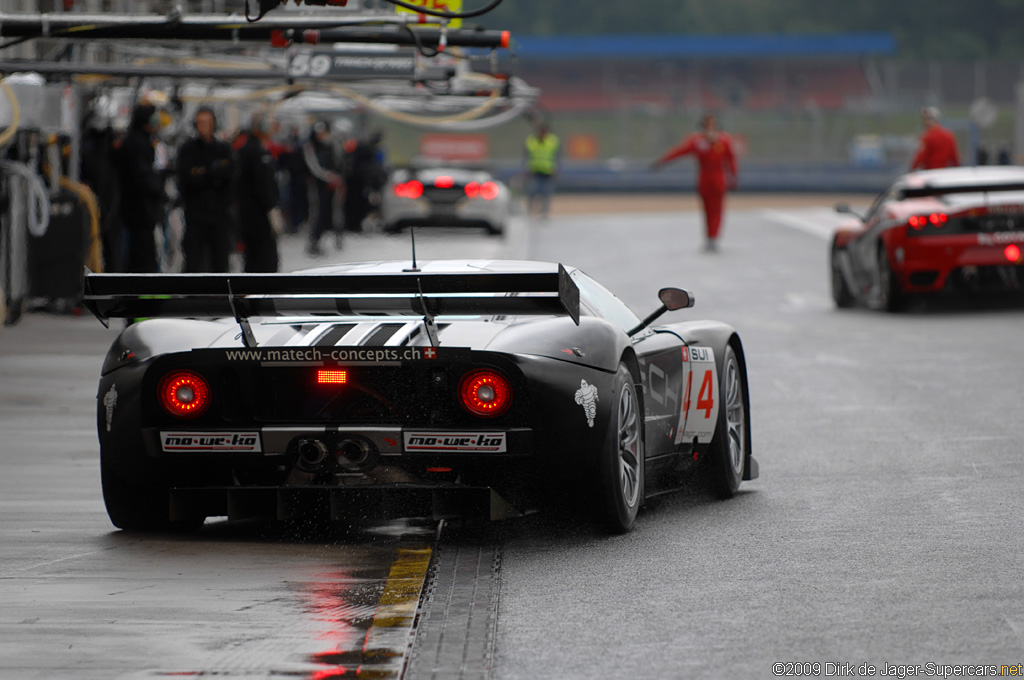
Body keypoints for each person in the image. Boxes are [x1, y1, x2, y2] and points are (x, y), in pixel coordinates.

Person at [651, 113, 738, 252]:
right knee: (707, 210)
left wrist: (733, 177)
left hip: (718, 178)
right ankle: (709, 237)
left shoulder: (724, 141)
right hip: (704, 178)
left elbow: (731, 160)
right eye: (707, 126)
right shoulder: (697, 142)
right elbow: (679, 152)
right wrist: (662, 162)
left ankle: (714, 236)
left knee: (717, 209)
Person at [175, 107, 235, 272]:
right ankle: (193, 294)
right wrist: (211, 172)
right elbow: (187, 178)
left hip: (219, 214)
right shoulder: (188, 149)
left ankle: (221, 294)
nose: (204, 127)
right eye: (200, 123)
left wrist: (205, 172)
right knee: (194, 259)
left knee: (220, 258)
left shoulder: (223, 149)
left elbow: (229, 175)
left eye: (207, 123)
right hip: (196, 214)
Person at [113, 102, 166, 272]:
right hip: (139, 211)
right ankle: (142, 293)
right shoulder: (138, 143)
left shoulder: (136, 140)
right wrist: (159, 188)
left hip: (137, 211)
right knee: (142, 255)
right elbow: (142, 177)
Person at [233, 113, 282, 273]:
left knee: (254, 257)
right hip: (257, 214)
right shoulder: (256, 152)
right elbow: (263, 185)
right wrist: (271, 208)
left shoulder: (254, 148)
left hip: (249, 212)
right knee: (264, 258)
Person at [303, 121, 342, 256]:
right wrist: (327, 176)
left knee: (332, 211)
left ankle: (334, 237)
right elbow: (313, 165)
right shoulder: (310, 146)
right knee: (317, 212)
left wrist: (335, 177)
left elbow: (337, 161)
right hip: (317, 184)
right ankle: (314, 241)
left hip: (331, 184)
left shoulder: (330, 145)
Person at [524, 123, 561, 219]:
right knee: (533, 191)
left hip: (548, 171)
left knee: (546, 192)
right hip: (535, 170)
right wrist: (526, 170)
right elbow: (527, 156)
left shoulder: (552, 141)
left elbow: (557, 157)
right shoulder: (531, 141)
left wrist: (557, 170)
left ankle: (544, 211)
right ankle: (530, 210)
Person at [910, 106, 960, 170]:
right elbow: (955, 158)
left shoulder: (926, 137)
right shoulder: (949, 135)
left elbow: (920, 157)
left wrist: (912, 169)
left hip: (930, 172)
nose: (923, 121)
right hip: (944, 172)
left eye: (925, 119)